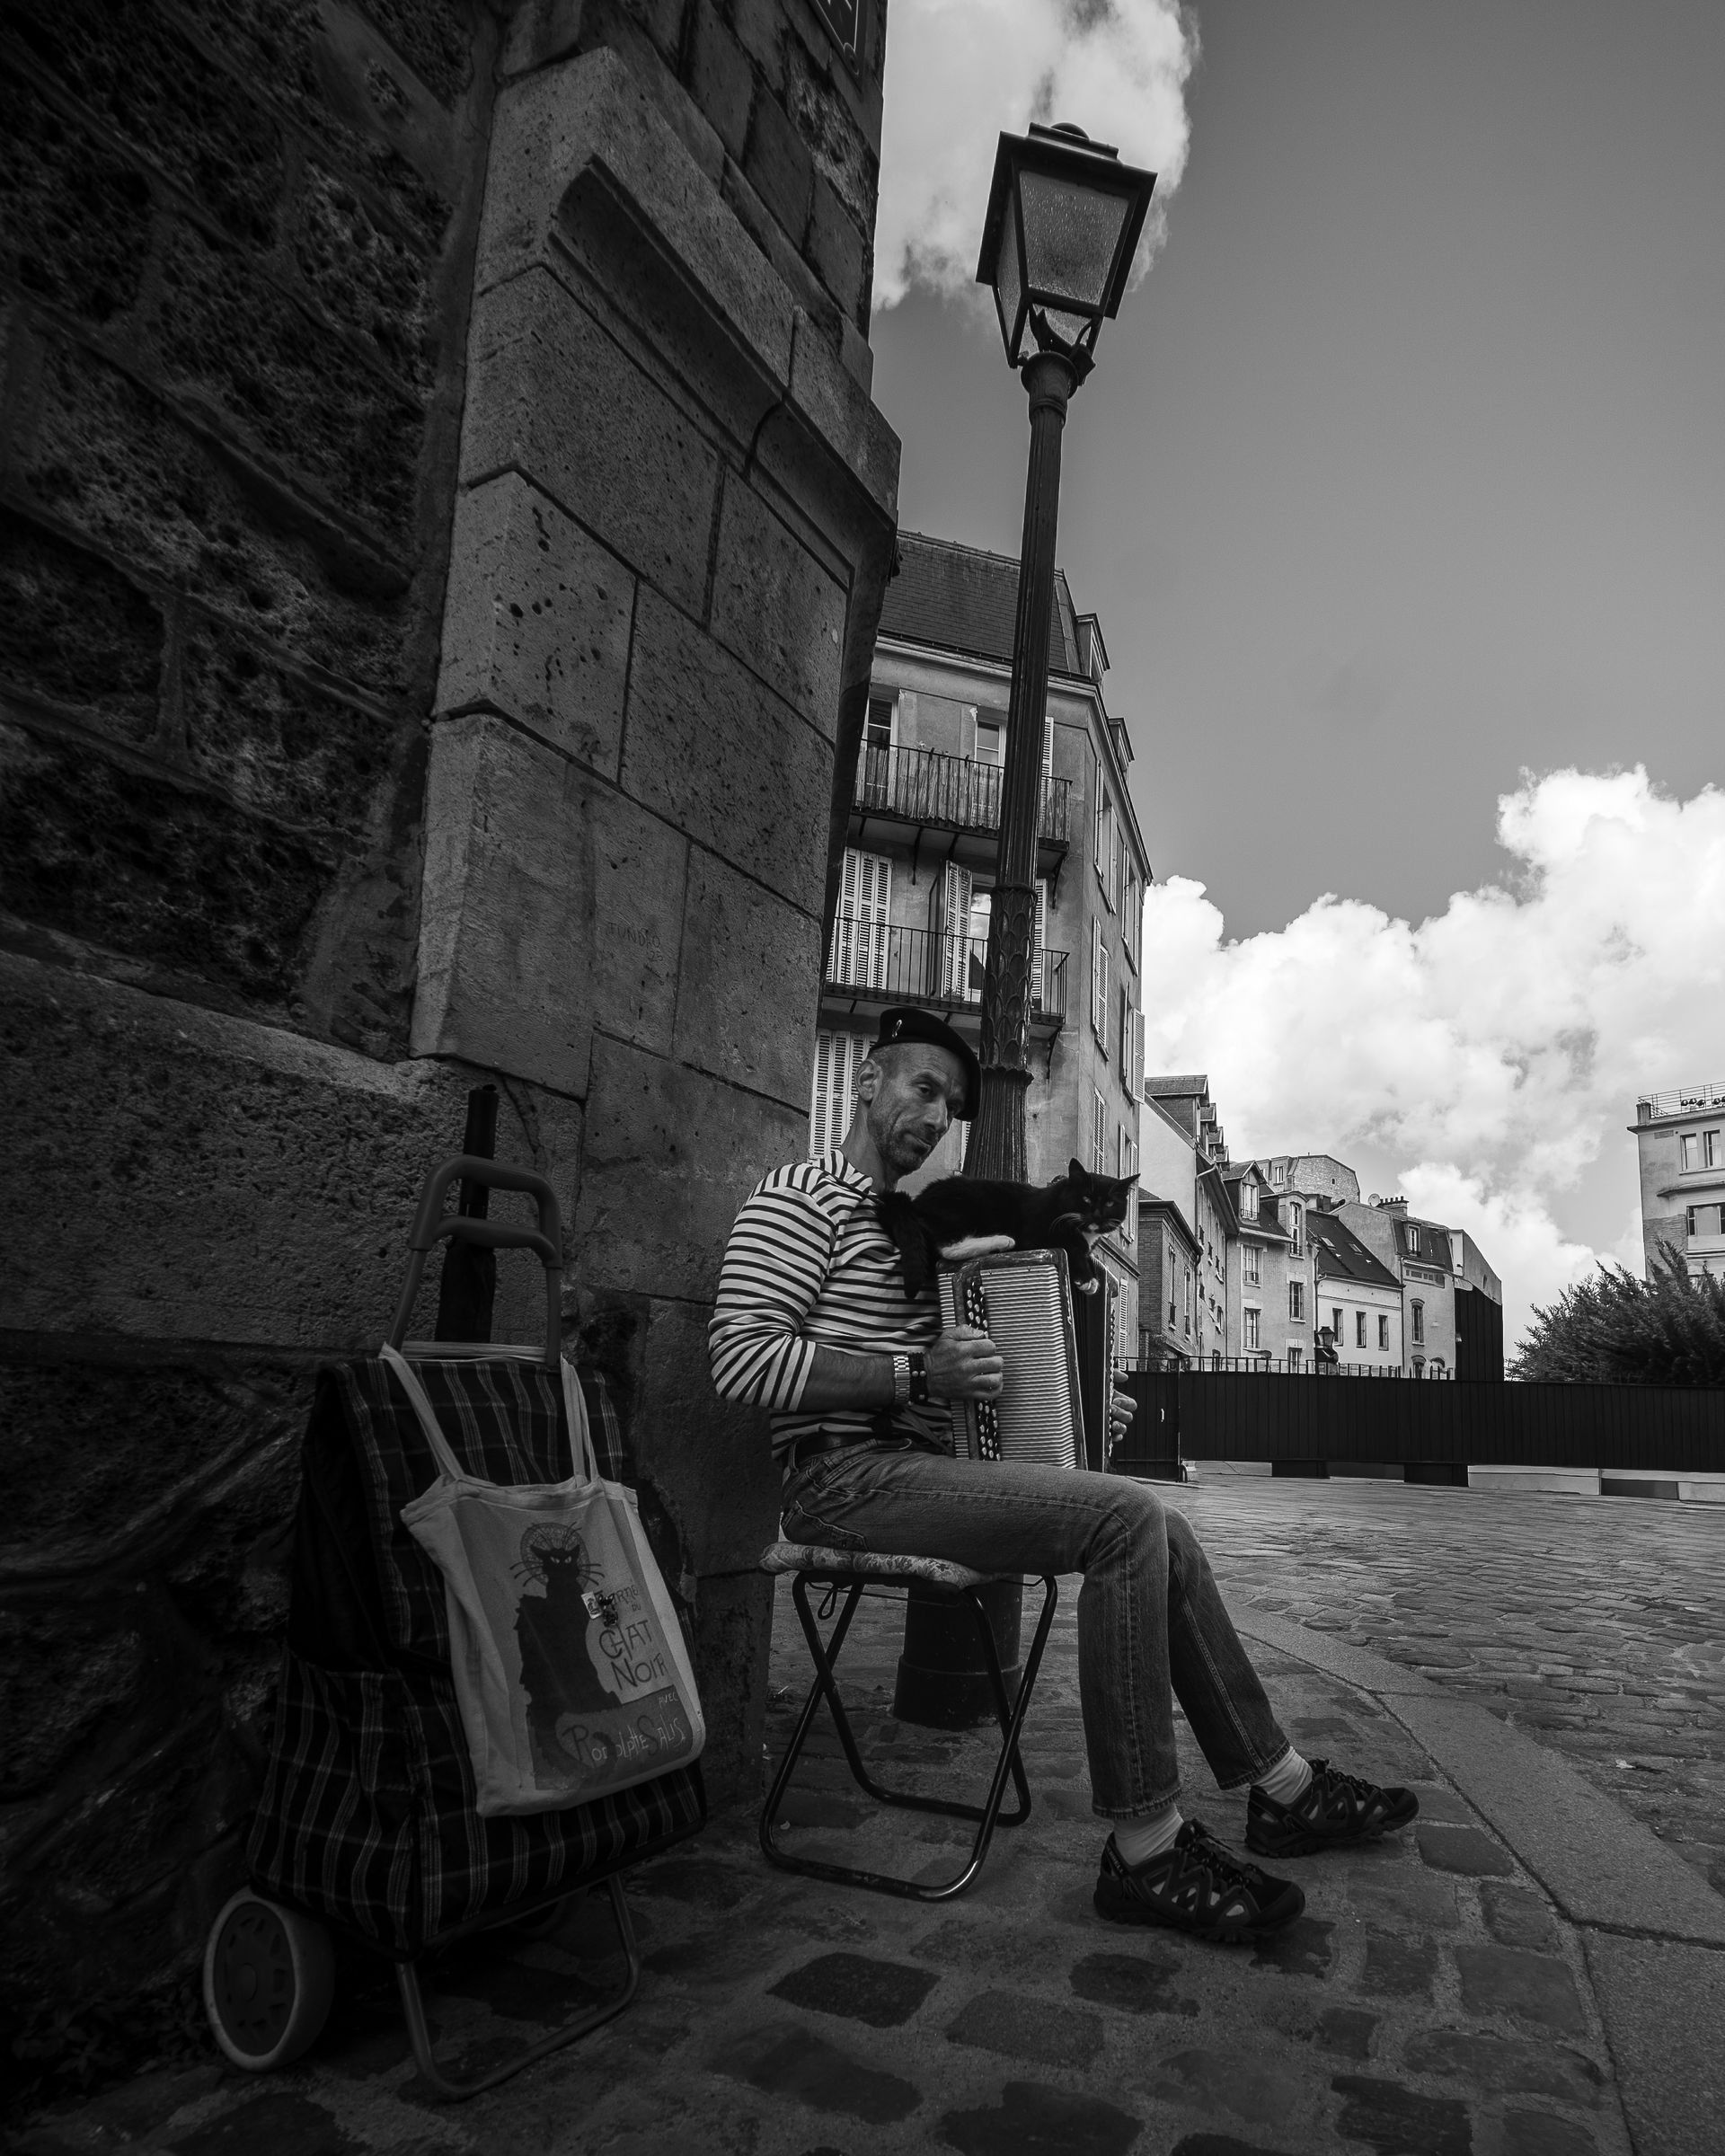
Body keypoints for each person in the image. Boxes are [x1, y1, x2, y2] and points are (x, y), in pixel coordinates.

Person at [710, 1007, 1417, 1942]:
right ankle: (1146, 1849)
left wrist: (1080, 1419)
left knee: (1156, 1524)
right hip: (837, 1482)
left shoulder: (932, 1236)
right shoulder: (802, 1195)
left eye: (951, 1106)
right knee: (1127, 1520)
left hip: (919, 1474)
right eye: (924, 1088)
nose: (937, 1116)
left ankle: (1281, 1790)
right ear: (868, 1082)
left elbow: (965, 1410)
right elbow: (741, 1360)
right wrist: (913, 1373)